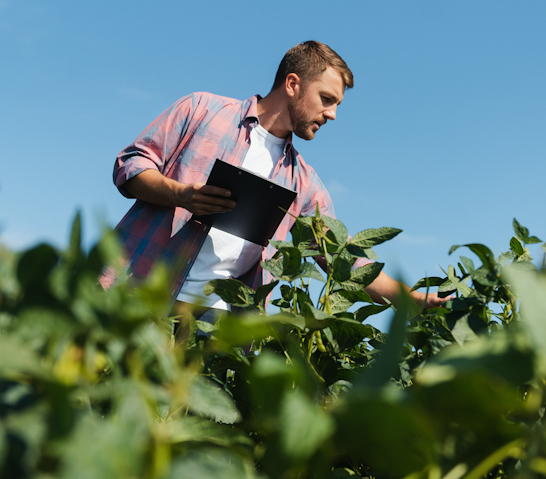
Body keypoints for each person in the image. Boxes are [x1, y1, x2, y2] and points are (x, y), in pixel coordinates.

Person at [102, 41, 448, 315]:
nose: (333, 114)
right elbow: (130, 166)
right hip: (136, 290)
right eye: (327, 99)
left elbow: (344, 261)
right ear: (293, 84)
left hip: (214, 319)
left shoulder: (303, 183)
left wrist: (413, 299)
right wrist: (181, 195)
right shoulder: (202, 110)